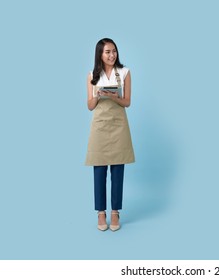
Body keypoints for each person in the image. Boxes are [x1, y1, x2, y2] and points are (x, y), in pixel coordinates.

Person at [85, 38, 135, 231]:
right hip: (99, 126)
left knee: (117, 170)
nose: (112, 55)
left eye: (114, 51)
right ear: (100, 54)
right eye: (107, 52)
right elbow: (89, 106)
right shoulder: (92, 76)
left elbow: (128, 102)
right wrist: (97, 95)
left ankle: (115, 212)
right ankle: (100, 213)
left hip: (118, 125)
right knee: (98, 171)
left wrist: (116, 97)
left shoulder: (125, 73)